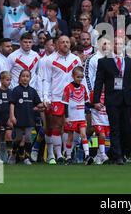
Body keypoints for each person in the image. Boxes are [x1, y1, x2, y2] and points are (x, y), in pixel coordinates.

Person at [93, 36, 131, 165]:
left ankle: (122, 152)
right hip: (111, 99)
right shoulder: (104, 62)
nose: (118, 46)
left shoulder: (129, 61)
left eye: (121, 43)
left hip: (126, 99)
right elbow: (99, 82)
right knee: (115, 128)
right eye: (116, 43)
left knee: (127, 128)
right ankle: (118, 155)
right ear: (112, 46)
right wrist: (95, 100)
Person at [41, 35, 82, 164]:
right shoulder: (49, 60)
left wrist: (83, 96)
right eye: (62, 42)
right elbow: (46, 80)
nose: (65, 44)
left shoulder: (76, 60)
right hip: (57, 97)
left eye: (67, 42)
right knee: (57, 126)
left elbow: (82, 79)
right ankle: (57, 155)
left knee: (71, 127)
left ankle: (67, 153)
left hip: (73, 99)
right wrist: (46, 97)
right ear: (57, 44)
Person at [84, 37, 111, 165]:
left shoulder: (112, 58)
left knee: (104, 128)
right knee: (91, 128)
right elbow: (87, 77)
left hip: (108, 96)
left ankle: (100, 154)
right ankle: (86, 153)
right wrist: (92, 96)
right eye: (104, 43)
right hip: (95, 97)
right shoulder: (92, 58)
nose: (107, 45)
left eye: (108, 43)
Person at [8, 69, 44, 165]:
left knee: (28, 138)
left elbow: (38, 104)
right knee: (18, 138)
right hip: (19, 118)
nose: (25, 78)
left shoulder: (32, 91)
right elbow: (12, 104)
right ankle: (13, 154)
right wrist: (12, 116)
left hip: (29, 118)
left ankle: (26, 157)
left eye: (27, 76)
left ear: (30, 78)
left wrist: (42, 106)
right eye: (23, 76)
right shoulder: (16, 90)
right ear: (19, 78)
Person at [62, 66, 94, 165]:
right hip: (72, 117)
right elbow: (65, 104)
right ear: (73, 76)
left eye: (81, 77)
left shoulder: (83, 88)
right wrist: (66, 117)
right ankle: (68, 157)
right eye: (78, 77)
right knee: (70, 137)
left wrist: (94, 106)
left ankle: (87, 156)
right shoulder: (68, 88)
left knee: (83, 135)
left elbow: (87, 102)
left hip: (81, 117)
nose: (80, 79)